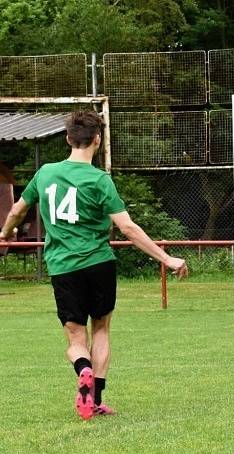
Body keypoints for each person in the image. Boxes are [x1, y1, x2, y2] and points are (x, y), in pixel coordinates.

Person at [0, 111, 188, 420]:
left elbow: (18, 210)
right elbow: (128, 228)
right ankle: (95, 399)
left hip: (63, 267)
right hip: (100, 264)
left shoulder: (45, 173)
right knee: (101, 328)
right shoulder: (100, 180)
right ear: (97, 140)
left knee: (76, 340)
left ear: (68, 139)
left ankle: (82, 369)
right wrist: (166, 258)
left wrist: (5, 234)